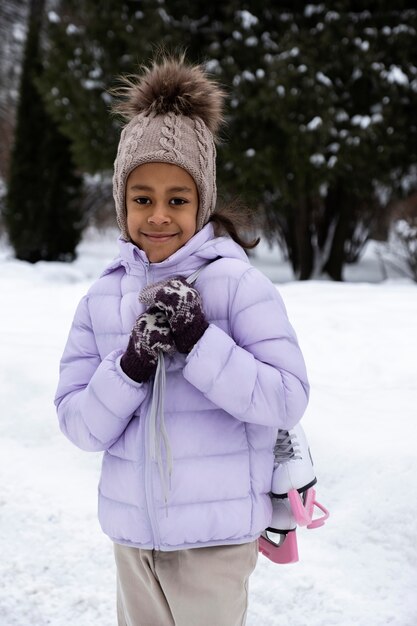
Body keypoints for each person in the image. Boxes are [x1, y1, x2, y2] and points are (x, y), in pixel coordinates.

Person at [55, 55, 309, 626]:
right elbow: (79, 424)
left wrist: (199, 341)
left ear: (203, 202)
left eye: (178, 199)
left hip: (216, 545)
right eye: (142, 198)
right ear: (123, 203)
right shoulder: (102, 299)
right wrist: (130, 365)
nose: (159, 216)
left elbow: (286, 398)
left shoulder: (238, 285)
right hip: (133, 542)